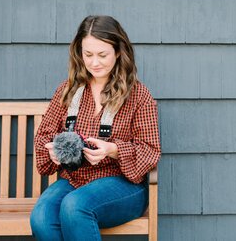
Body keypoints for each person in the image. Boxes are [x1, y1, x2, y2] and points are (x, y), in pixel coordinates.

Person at [30, 15, 161, 241]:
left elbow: (150, 151)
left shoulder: (138, 95)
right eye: (88, 54)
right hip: (74, 179)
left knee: (75, 207)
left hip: (123, 185)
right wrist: (53, 150)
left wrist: (113, 149)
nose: (94, 63)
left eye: (102, 55)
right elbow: (44, 137)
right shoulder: (68, 91)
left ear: (118, 52)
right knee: (42, 217)